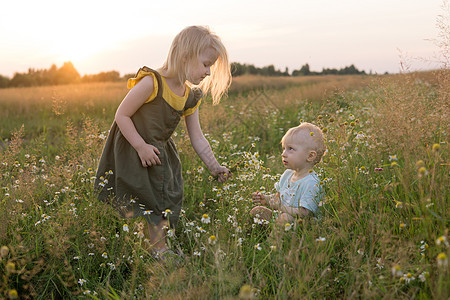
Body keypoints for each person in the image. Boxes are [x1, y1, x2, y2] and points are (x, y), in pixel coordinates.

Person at [95, 26, 232, 258]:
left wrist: (214, 165)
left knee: (165, 196)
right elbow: (122, 115)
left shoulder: (189, 95)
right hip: (134, 148)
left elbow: (197, 137)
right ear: (185, 56)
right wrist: (140, 146)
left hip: (159, 151)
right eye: (206, 64)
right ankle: (159, 250)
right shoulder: (152, 82)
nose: (208, 72)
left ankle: (157, 246)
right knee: (149, 199)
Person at [250, 122, 326, 225]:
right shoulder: (287, 174)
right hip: (281, 216)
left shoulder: (311, 183)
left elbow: (305, 214)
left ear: (310, 156)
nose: (283, 154)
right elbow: (278, 197)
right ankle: (254, 234)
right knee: (257, 210)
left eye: (290, 149)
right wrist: (266, 199)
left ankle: (273, 240)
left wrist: (279, 207)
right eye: (283, 149)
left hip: (301, 225)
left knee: (285, 218)